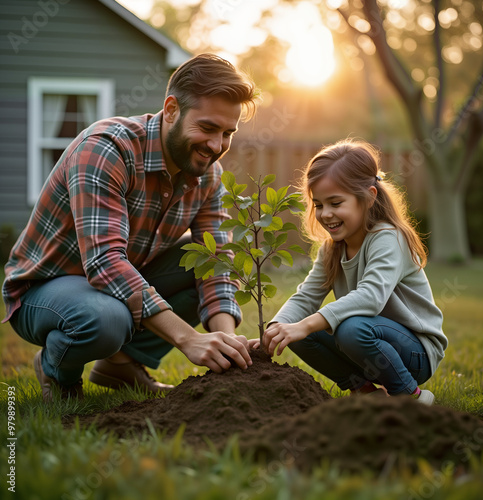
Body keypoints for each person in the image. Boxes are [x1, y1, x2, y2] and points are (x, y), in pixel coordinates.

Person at [2, 53, 260, 401]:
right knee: (106, 319)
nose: (216, 146)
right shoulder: (107, 149)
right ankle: (55, 369)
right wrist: (188, 339)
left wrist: (226, 342)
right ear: (171, 110)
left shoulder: (208, 177)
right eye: (208, 128)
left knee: (199, 257)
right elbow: (105, 264)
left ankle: (120, 365)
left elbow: (216, 266)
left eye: (228, 133)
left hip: (120, 284)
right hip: (45, 289)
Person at [262, 139, 448, 405]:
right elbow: (306, 297)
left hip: (415, 352)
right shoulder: (332, 249)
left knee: (349, 328)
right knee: (298, 334)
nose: (326, 214)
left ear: (369, 196)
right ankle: (365, 393)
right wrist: (275, 330)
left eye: (336, 203)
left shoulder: (388, 238)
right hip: (366, 347)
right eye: (319, 205)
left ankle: (410, 397)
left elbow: (370, 297)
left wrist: (304, 324)